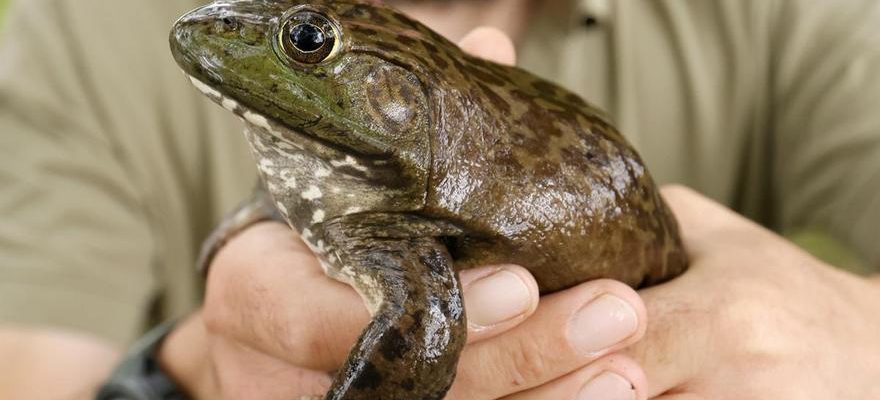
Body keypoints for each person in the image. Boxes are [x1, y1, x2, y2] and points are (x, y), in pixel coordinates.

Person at [1, 0, 878, 399]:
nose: (217, 25)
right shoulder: (77, 32)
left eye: (304, 40)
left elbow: (423, 331)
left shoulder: (785, 17)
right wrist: (189, 367)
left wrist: (847, 332)